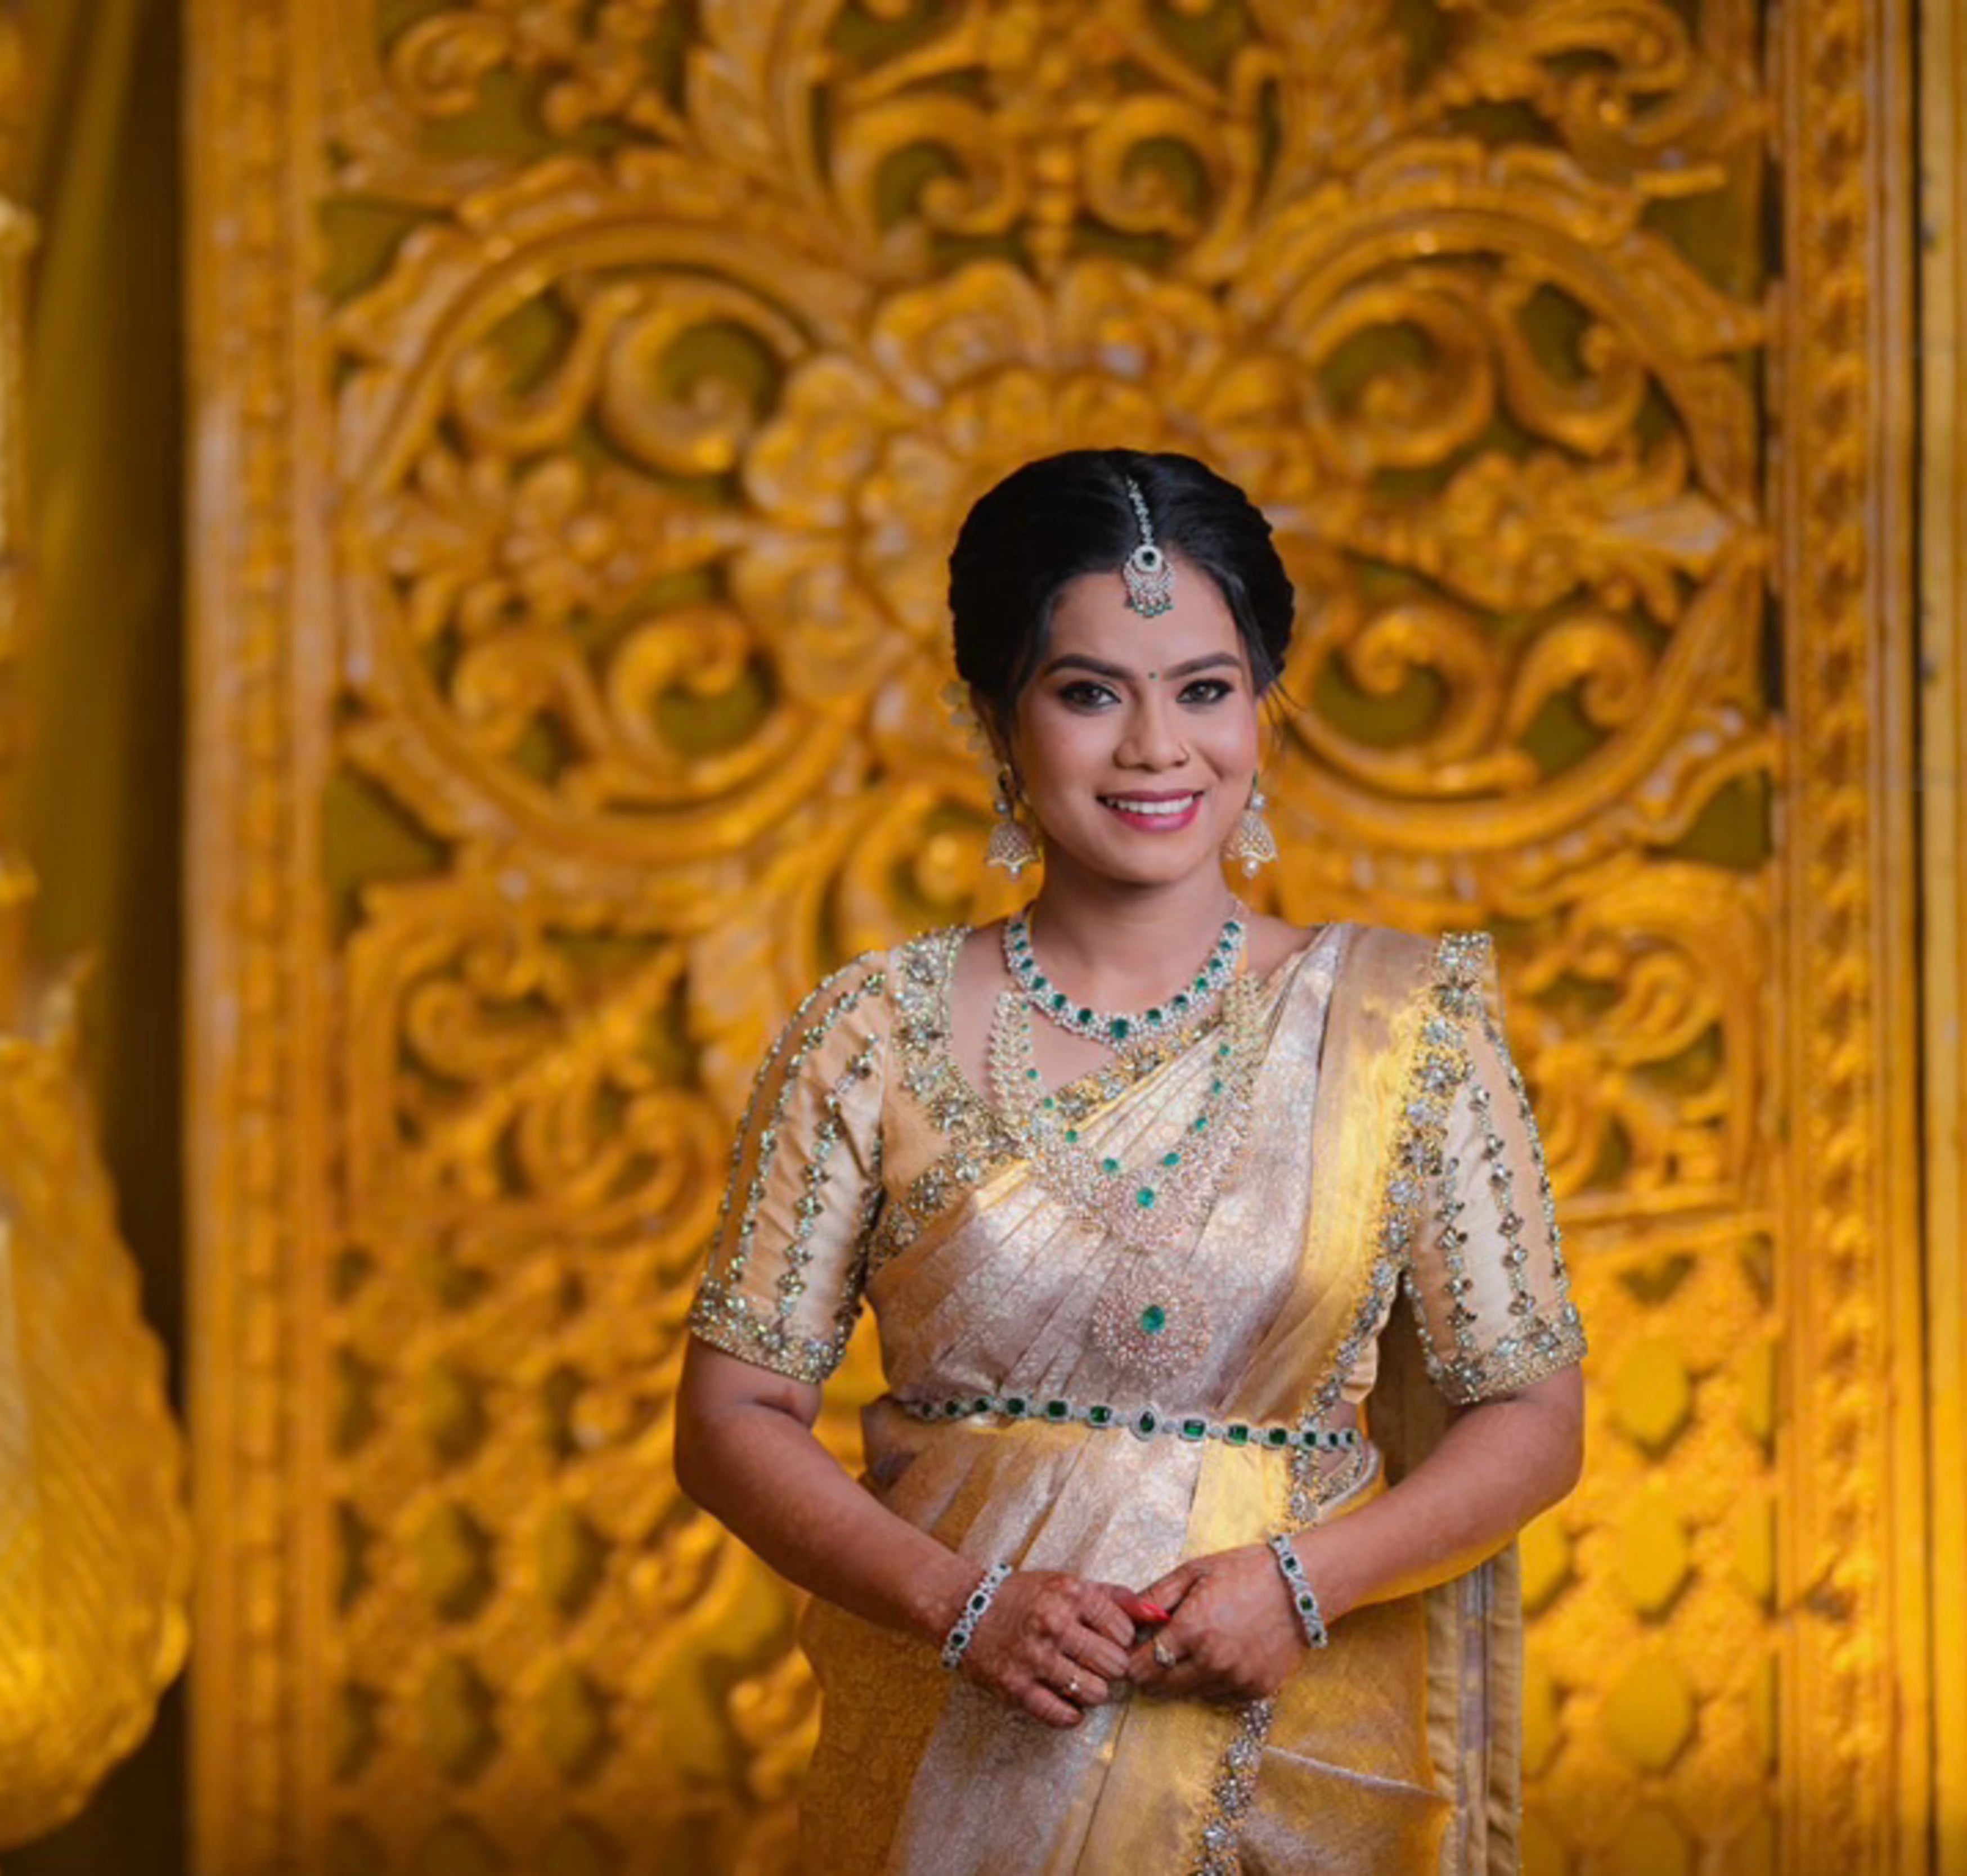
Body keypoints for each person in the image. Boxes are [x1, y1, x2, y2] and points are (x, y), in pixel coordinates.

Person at [671, 447, 1588, 1874]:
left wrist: (1303, 1584)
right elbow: (730, 1417)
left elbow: (1533, 1414)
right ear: (997, 716)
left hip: (1298, 1761)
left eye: (1205, 689)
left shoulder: (1406, 1034)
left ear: (1262, 708)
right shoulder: (866, 1040)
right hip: (954, 1773)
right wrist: (964, 1605)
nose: (1158, 748)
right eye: (1090, 691)